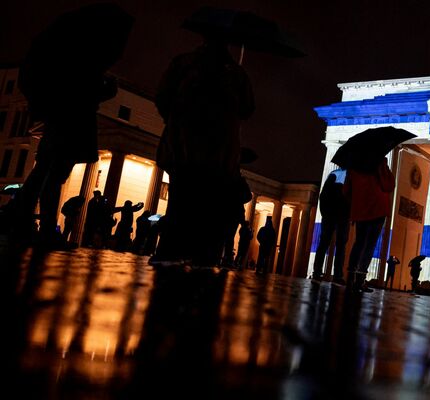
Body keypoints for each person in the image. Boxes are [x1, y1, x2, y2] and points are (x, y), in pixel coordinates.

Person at [8, 5, 132, 249]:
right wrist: (106, 90)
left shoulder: (66, 52)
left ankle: (25, 223)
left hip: (61, 116)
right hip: (73, 119)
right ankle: (43, 228)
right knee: (54, 172)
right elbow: (83, 92)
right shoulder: (83, 59)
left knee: (45, 169)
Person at [151, 32, 254, 267]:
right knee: (210, 203)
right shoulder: (235, 73)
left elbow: (161, 98)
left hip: (183, 145)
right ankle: (204, 255)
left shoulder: (182, 64)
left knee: (179, 199)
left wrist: (176, 119)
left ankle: (169, 250)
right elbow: (248, 108)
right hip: (217, 151)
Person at [344, 158, 394, 293]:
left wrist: (355, 205)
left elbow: (347, 191)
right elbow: (388, 185)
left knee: (359, 242)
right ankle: (360, 279)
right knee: (370, 244)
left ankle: (350, 277)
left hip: (360, 209)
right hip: (377, 209)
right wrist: (385, 168)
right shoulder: (380, 163)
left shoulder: (353, 165)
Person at [312, 169, 350, 284]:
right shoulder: (337, 175)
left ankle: (322, 273)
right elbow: (324, 195)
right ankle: (332, 274)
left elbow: (323, 195)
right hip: (335, 215)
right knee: (334, 244)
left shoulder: (336, 174)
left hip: (337, 216)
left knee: (330, 244)